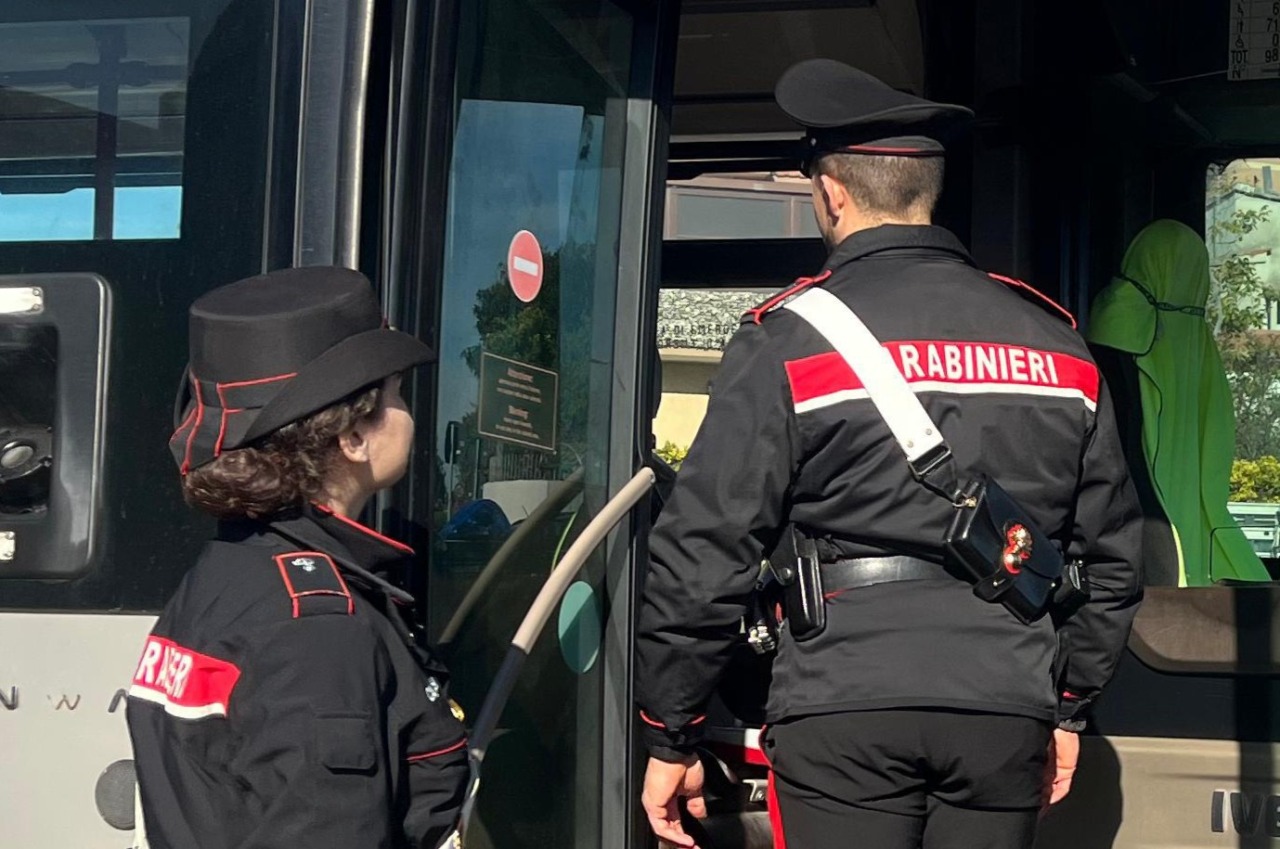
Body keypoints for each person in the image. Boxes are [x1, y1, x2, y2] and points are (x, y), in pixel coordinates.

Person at [635, 59, 1144, 849]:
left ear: (832, 194)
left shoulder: (788, 341)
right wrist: (1067, 703)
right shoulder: (1059, 346)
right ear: (928, 194)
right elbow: (1111, 561)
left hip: (844, 704)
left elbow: (705, 551)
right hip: (1004, 706)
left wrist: (671, 731)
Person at [126, 267, 467, 849]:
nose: (409, 414)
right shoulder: (319, 627)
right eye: (396, 394)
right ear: (353, 437)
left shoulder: (229, 571)